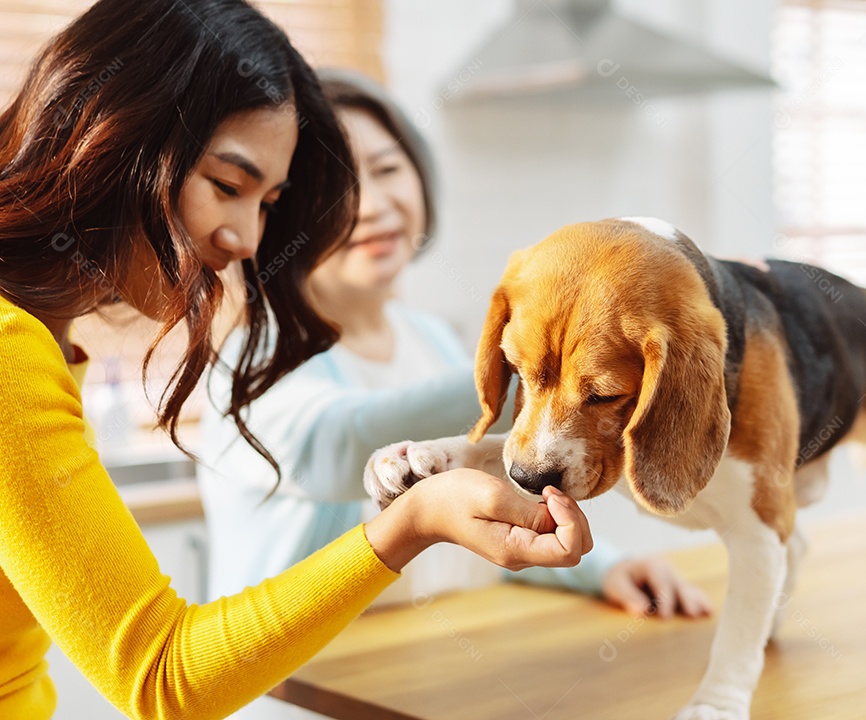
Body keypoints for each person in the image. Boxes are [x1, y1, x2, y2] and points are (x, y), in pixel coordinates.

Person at [0, 2, 592, 719]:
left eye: (268, 202)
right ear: (112, 130)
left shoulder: (50, 340)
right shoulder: (10, 352)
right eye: (226, 185)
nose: (247, 238)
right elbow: (161, 677)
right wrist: (413, 521)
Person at [198, 68, 714, 618]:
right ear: (273, 214)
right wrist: (542, 363)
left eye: (387, 168)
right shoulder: (249, 361)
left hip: (430, 668)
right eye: (333, 187)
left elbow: (499, 481)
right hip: (295, 691)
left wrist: (604, 566)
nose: (372, 204)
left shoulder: (428, 337)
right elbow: (341, 448)